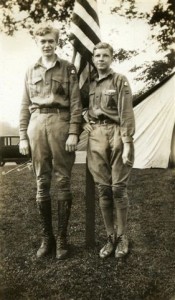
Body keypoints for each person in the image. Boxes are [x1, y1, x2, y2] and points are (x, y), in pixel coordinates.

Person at [19, 26, 82, 260]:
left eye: (51, 41)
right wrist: (23, 135)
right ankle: (48, 238)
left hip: (61, 122)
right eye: (43, 41)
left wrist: (74, 131)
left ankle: (63, 239)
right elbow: (24, 104)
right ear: (38, 43)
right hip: (36, 124)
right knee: (41, 181)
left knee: (63, 180)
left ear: (57, 43)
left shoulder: (68, 68)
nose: (47, 44)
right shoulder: (30, 70)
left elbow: (76, 102)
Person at [83, 42, 135, 259]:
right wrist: (85, 117)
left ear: (112, 58)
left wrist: (127, 142)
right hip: (96, 135)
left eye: (105, 55)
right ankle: (110, 237)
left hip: (117, 134)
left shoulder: (119, 80)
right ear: (93, 59)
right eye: (97, 55)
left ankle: (123, 236)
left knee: (118, 188)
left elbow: (126, 112)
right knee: (103, 189)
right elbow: (81, 104)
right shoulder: (90, 83)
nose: (101, 59)